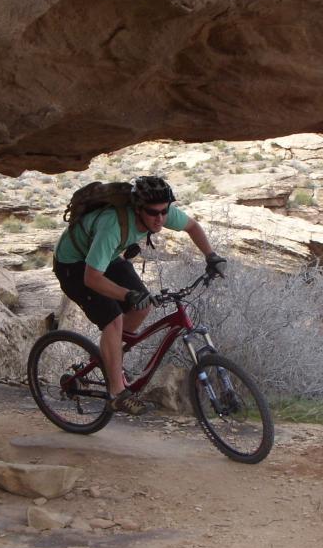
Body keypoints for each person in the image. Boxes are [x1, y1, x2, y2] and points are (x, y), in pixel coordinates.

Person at [52, 175, 226, 411]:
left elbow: (192, 227)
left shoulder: (160, 214)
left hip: (106, 259)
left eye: (165, 211)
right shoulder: (112, 225)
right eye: (154, 213)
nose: (160, 218)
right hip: (73, 265)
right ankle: (117, 393)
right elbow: (91, 278)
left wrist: (211, 256)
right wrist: (125, 294)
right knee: (113, 320)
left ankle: (110, 358)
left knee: (143, 306)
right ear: (138, 209)